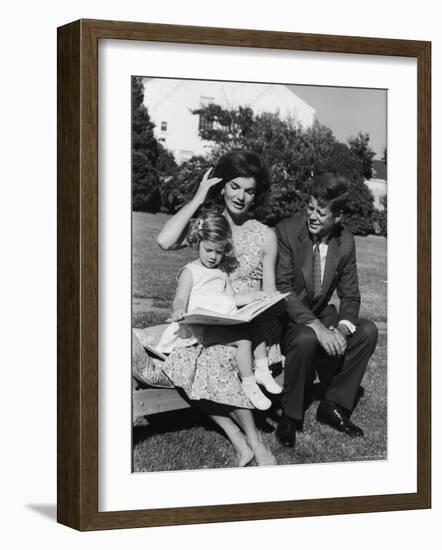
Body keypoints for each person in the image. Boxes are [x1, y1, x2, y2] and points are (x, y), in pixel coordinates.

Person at [156, 149, 281, 467]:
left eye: (249, 191)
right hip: (204, 324)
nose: (241, 196)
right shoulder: (208, 226)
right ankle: (241, 439)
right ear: (222, 186)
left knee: (213, 360)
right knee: (184, 361)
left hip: (243, 327)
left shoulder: (265, 236)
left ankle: (254, 441)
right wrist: (199, 197)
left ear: (256, 196)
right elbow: (164, 241)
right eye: (235, 186)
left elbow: (269, 294)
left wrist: (269, 338)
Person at [274, 172, 378, 448]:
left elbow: (351, 294)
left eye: (321, 212)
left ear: (339, 216)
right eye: (310, 208)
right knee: (307, 337)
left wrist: (343, 329)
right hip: (286, 318)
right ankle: (290, 416)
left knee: (367, 331)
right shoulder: (286, 231)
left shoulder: (345, 242)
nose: (313, 216)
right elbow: (282, 290)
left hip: (322, 314)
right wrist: (317, 328)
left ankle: (333, 405)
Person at [157, 211, 282, 410]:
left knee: (254, 325)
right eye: (209, 250)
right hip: (198, 328)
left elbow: (232, 298)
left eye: (219, 251)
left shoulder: (221, 272)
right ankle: (249, 384)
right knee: (243, 340)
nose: (214, 257)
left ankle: (262, 370)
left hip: (217, 322)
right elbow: (180, 297)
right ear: (198, 242)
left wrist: (253, 297)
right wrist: (179, 310)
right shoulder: (190, 271)